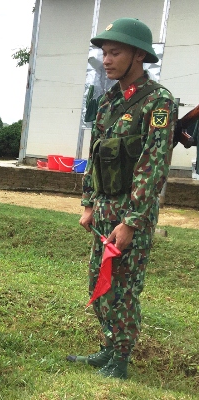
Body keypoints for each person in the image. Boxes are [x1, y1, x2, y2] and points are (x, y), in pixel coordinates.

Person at [70, 18, 177, 379]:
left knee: (123, 291)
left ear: (138, 55)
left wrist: (131, 222)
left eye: (115, 52)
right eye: (104, 52)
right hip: (103, 210)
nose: (106, 59)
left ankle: (121, 358)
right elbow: (95, 154)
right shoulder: (108, 102)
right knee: (99, 286)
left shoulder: (158, 103)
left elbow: (153, 166)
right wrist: (88, 203)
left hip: (130, 216)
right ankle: (107, 347)